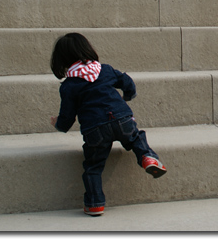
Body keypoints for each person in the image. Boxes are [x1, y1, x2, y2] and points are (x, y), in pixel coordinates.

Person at [50, 32, 166, 217]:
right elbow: (127, 81)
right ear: (88, 49)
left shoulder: (69, 85)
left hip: (95, 129)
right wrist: (128, 95)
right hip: (122, 119)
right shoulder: (105, 70)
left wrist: (59, 124)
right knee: (135, 138)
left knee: (93, 166)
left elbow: (67, 116)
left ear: (62, 60)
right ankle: (147, 157)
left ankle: (95, 203)